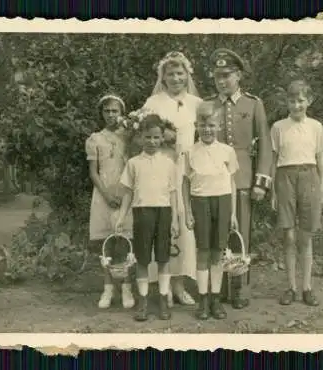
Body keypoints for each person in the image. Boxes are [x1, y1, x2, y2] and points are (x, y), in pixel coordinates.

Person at [204, 48, 272, 309]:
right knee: (217, 234)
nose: (222, 81)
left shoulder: (253, 104)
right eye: (217, 76)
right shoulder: (209, 105)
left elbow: (265, 144)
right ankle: (219, 286)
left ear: (239, 75)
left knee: (240, 233)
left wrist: (261, 182)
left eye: (227, 75)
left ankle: (239, 287)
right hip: (213, 179)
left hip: (242, 178)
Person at [141, 51, 203, 307]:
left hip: (187, 169)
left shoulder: (196, 103)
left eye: (180, 73)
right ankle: (161, 285)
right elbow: (142, 134)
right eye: (170, 74)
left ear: (187, 75)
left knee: (185, 226)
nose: (176, 78)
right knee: (162, 223)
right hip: (161, 167)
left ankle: (179, 285)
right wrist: (163, 138)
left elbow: (205, 135)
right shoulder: (153, 102)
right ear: (162, 77)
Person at [116, 114, 179, 321]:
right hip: (142, 212)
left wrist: (176, 220)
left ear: (162, 138)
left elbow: (172, 192)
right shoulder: (134, 163)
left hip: (164, 212)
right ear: (140, 138)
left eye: (156, 137)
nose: (152, 142)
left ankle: (162, 299)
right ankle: (142, 301)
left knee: (163, 258)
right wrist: (121, 216)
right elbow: (128, 192)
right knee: (142, 259)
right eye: (148, 137)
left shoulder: (169, 162)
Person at [270, 80, 323, 306]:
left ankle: (307, 287)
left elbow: (321, 159)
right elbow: (274, 161)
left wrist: (322, 189)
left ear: (309, 101)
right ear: (287, 102)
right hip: (285, 177)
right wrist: (274, 192)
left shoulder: (316, 126)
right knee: (289, 236)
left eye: (301, 101)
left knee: (305, 236)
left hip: (309, 175)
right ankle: (291, 287)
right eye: (292, 101)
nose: (296, 106)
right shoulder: (278, 127)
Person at [182, 101, 239, 320]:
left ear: (219, 126)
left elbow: (232, 183)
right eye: (203, 125)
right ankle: (203, 300)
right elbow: (185, 183)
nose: (207, 129)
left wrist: (232, 213)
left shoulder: (227, 151)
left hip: (222, 201)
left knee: (218, 251)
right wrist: (187, 211)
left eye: (212, 125)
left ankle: (216, 299)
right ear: (196, 125)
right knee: (203, 251)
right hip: (200, 201)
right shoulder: (190, 152)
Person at [85, 94, 135, 309]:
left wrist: (124, 194)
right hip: (103, 192)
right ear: (102, 114)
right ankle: (108, 288)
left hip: (125, 191)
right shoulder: (95, 139)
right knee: (106, 243)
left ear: (121, 112)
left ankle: (126, 287)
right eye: (107, 111)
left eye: (115, 111)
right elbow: (93, 172)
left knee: (124, 241)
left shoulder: (130, 136)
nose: (111, 115)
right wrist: (106, 194)